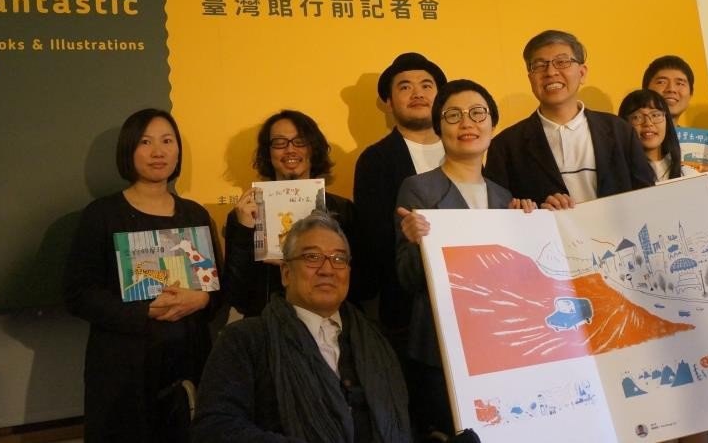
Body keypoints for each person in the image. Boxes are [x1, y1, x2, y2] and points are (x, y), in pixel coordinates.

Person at [64, 108, 219, 442]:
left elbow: (217, 291)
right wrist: (143, 311)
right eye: (145, 142)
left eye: (167, 141)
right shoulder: (102, 215)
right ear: (129, 150)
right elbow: (77, 294)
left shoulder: (195, 215)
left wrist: (202, 299)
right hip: (123, 370)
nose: (158, 152)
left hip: (189, 362)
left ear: (178, 151)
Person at [192, 211, 412, 443]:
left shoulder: (379, 341)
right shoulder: (244, 340)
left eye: (339, 259)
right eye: (312, 257)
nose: (327, 269)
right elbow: (213, 428)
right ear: (286, 273)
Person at [395, 79, 536, 439]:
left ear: (492, 124)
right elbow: (407, 279)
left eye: (477, 113)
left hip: (498, 347)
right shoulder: (418, 188)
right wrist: (415, 243)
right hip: (442, 352)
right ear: (439, 127)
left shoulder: (505, 197)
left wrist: (528, 229)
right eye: (453, 115)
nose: (467, 123)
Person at [485, 29, 654, 209]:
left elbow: (648, 197)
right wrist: (535, 214)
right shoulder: (505, 147)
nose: (551, 72)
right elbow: (498, 213)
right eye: (540, 65)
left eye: (562, 62)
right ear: (530, 78)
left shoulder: (620, 130)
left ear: (582, 73)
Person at [224, 109, 363, 317]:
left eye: (300, 142)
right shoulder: (245, 214)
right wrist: (245, 231)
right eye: (279, 143)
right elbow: (237, 297)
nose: (290, 149)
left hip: (330, 323)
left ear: (313, 149)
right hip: (266, 324)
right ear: (268, 153)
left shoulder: (343, 210)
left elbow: (363, 286)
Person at [353, 53, 447, 337]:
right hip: (409, 309)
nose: (417, 93)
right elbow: (375, 238)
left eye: (426, 85)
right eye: (405, 87)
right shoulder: (375, 160)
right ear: (389, 103)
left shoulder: (465, 148)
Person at [617, 89, 689, 182]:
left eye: (655, 115)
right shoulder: (615, 175)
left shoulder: (687, 173)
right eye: (637, 117)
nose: (648, 123)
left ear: (667, 121)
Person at [643, 55, 694, 122]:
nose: (671, 89)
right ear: (645, 91)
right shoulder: (629, 128)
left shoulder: (702, 129)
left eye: (679, 83)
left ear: (690, 94)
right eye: (661, 82)